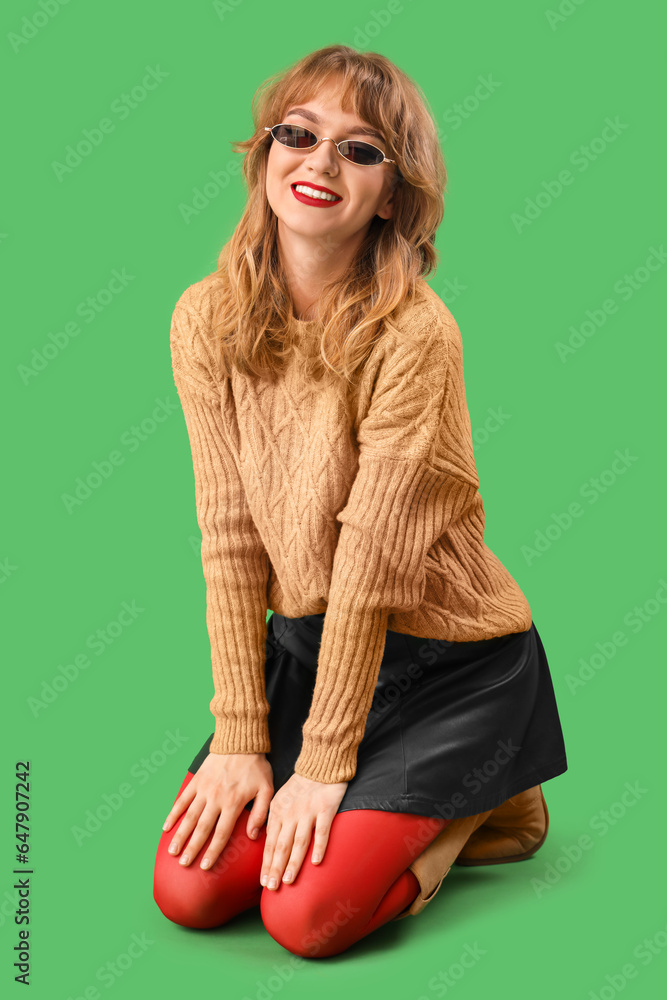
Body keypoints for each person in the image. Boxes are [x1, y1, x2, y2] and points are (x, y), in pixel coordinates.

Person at [153, 44, 568, 959]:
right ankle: (434, 795)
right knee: (189, 890)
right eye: (297, 135)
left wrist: (325, 765)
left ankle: (487, 809)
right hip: (312, 648)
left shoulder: (416, 335)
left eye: (361, 149)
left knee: (306, 919)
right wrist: (240, 740)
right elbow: (227, 543)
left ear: (394, 193)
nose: (320, 163)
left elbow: (370, 562)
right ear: (263, 156)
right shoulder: (201, 320)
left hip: (447, 660)